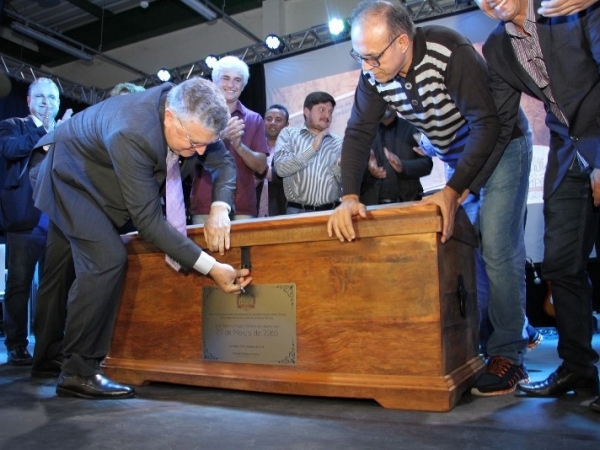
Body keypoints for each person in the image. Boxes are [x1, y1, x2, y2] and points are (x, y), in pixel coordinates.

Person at [327, 0, 534, 396]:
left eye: (372, 56)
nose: (366, 66)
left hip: (504, 145)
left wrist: (454, 191)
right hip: (461, 155)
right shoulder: (374, 74)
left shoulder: (448, 52)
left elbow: (488, 124)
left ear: (402, 42)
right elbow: (357, 133)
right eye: (359, 56)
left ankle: (510, 355)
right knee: (466, 248)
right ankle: (482, 340)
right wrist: (349, 196)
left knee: (496, 244)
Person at [29, 77, 252, 399]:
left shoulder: (190, 109)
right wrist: (211, 267)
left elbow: (223, 162)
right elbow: (148, 221)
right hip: (66, 176)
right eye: (193, 143)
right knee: (105, 261)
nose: (199, 152)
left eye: (206, 143)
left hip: (98, 176)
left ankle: (51, 361)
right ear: (170, 117)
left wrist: (219, 208)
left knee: (64, 269)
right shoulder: (133, 132)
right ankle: (78, 371)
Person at [473, 0, 600, 410]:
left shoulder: (569, 6)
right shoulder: (496, 48)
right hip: (567, 150)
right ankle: (579, 368)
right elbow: (499, 124)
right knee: (561, 265)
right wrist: (463, 187)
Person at [30, 81, 146, 378]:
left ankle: (80, 358)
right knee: (56, 281)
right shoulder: (86, 124)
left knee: (88, 282)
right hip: (66, 209)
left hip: (100, 216)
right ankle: (47, 358)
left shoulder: (133, 134)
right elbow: (41, 164)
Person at [0, 78, 72, 365]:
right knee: (19, 284)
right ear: (29, 101)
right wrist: (45, 131)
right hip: (25, 220)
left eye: (52, 98)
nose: (47, 103)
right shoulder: (13, 125)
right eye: (40, 98)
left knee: (54, 287)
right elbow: (10, 149)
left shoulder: (65, 131)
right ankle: (16, 343)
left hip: (58, 219)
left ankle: (49, 345)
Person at [190, 56, 268, 223]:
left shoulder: (254, 119)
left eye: (237, 80)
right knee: (204, 251)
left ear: (243, 85)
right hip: (205, 205)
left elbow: (261, 167)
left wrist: (239, 146)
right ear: (215, 81)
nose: (231, 85)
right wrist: (219, 137)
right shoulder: (197, 115)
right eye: (226, 78)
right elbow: (186, 157)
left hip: (243, 206)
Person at [273, 92, 343, 214]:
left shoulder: (338, 142)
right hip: (297, 212)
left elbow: (343, 183)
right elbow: (281, 168)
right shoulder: (289, 134)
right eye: (322, 109)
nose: (327, 115)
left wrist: (340, 166)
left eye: (330, 112)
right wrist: (312, 150)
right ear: (306, 111)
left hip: (332, 212)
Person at [360, 105, 432, 205]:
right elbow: (350, 171)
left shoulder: (412, 127)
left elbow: (427, 164)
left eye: (387, 98)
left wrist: (403, 166)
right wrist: (368, 169)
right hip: (371, 209)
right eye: (380, 100)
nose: (384, 103)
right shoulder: (362, 134)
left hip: (408, 204)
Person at [260, 104, 289, 217]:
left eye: (278, 120)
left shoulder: (292, 150)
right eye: (268, 119)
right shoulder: (254, 149)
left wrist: (260, 169)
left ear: (286, 125)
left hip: (281, 213)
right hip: (255, 214)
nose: (272, 122)